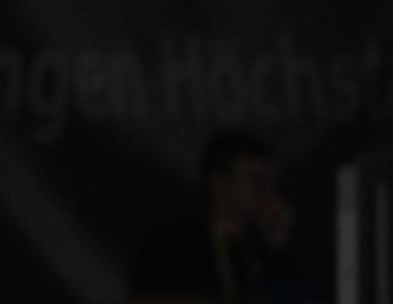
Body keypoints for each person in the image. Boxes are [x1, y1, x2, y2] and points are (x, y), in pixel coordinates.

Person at [131, 130, 314, 304]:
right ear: (218, 184)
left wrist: (278, 246)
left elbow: (297, 297)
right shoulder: (172, 247)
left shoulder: (261, 251)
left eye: (271, 183)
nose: (267, 192)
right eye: (255, 181)